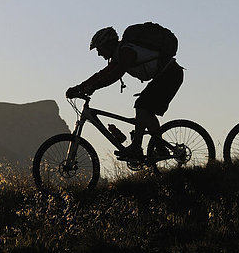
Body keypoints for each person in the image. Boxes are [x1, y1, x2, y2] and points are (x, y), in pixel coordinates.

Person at [66, 26, 184, 160]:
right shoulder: (119, 54)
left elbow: (116, 73)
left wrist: (94, 87)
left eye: (99, 49)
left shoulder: (127, 51)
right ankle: (160, 148)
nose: (99, 53)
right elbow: (102, 74)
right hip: (165, 75)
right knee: (145, 110)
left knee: (141, 105)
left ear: (108, 44)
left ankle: (136, 147)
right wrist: (79, 87)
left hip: (170, 74)